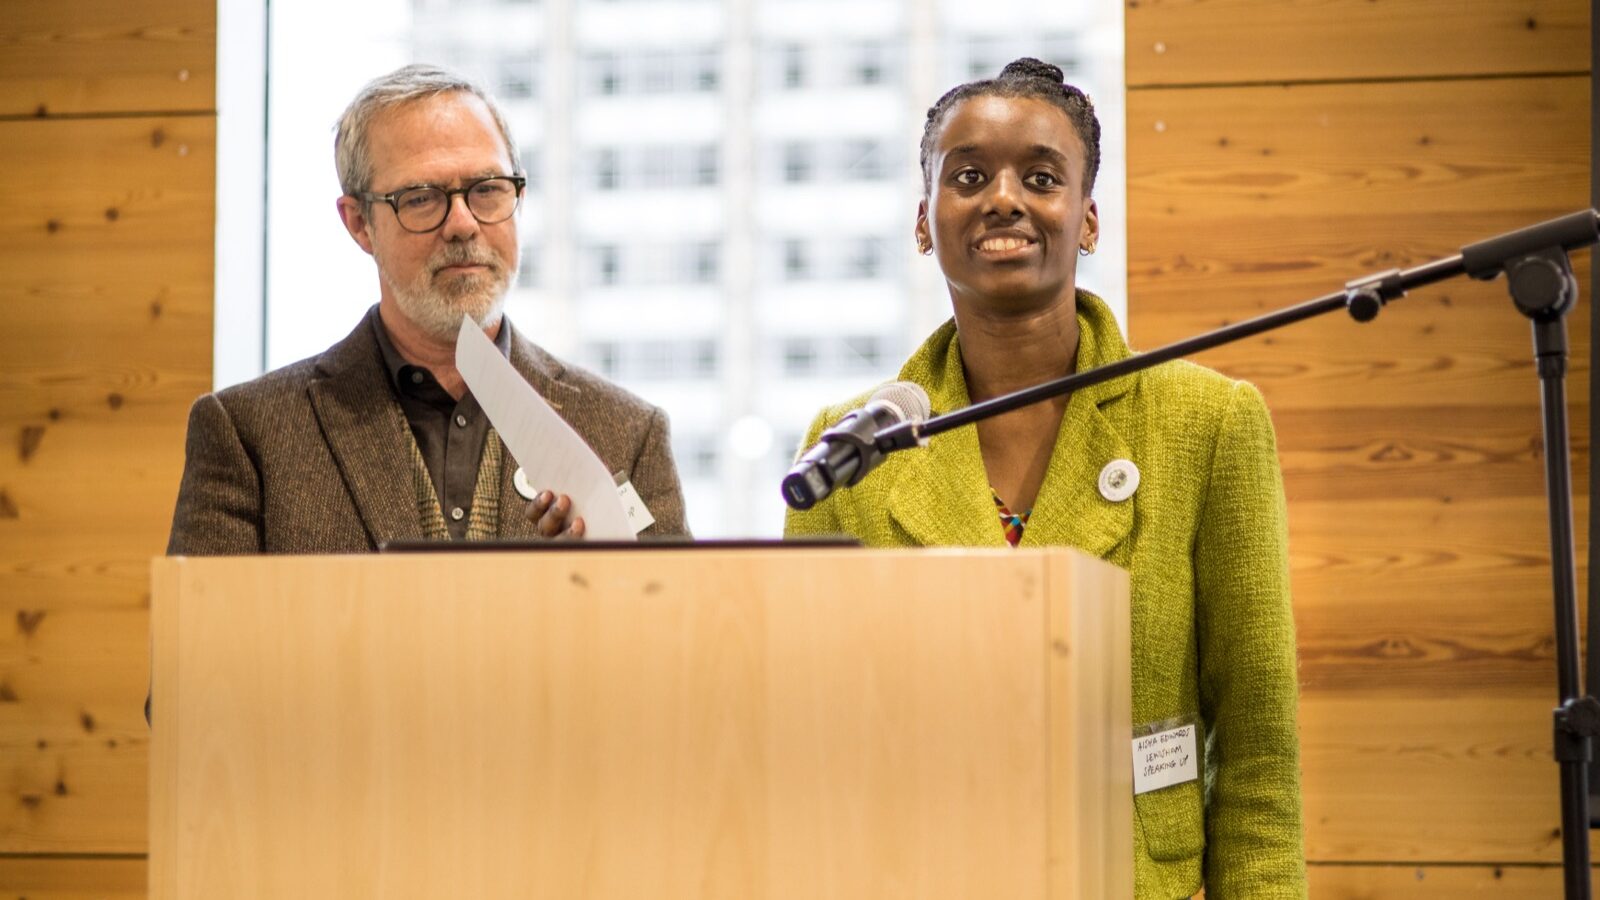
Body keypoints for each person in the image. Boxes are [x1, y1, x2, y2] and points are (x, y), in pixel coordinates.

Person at [785, 59, 1305, 898]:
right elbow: (813, 738)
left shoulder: (1207, 424)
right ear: (924, 222)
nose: (1003, 198)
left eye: (1040, 176)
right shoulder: (849, 450)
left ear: (1088, 219)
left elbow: (1256, 757)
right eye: (967, 177)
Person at [167, 64, 688, 553]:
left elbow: (677, 636)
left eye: (487, 189)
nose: (463, 223)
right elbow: (205, 642)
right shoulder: (250, 436)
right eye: (421, 198)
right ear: (358, 224)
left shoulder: (627, 434)